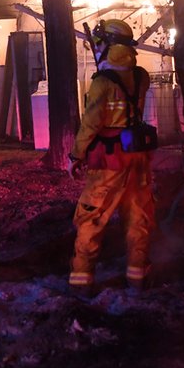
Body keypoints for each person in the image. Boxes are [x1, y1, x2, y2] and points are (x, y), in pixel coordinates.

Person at [67, 18, 156, 297]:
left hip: (109, 161)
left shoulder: (102, 82)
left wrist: (76, 154)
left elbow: (92, 123)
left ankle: (82, 282)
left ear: (108, 43)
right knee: (138, 218)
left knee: (91, 218)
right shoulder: (141, 76)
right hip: (138, 158)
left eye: (100, 41)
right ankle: (137, 278)